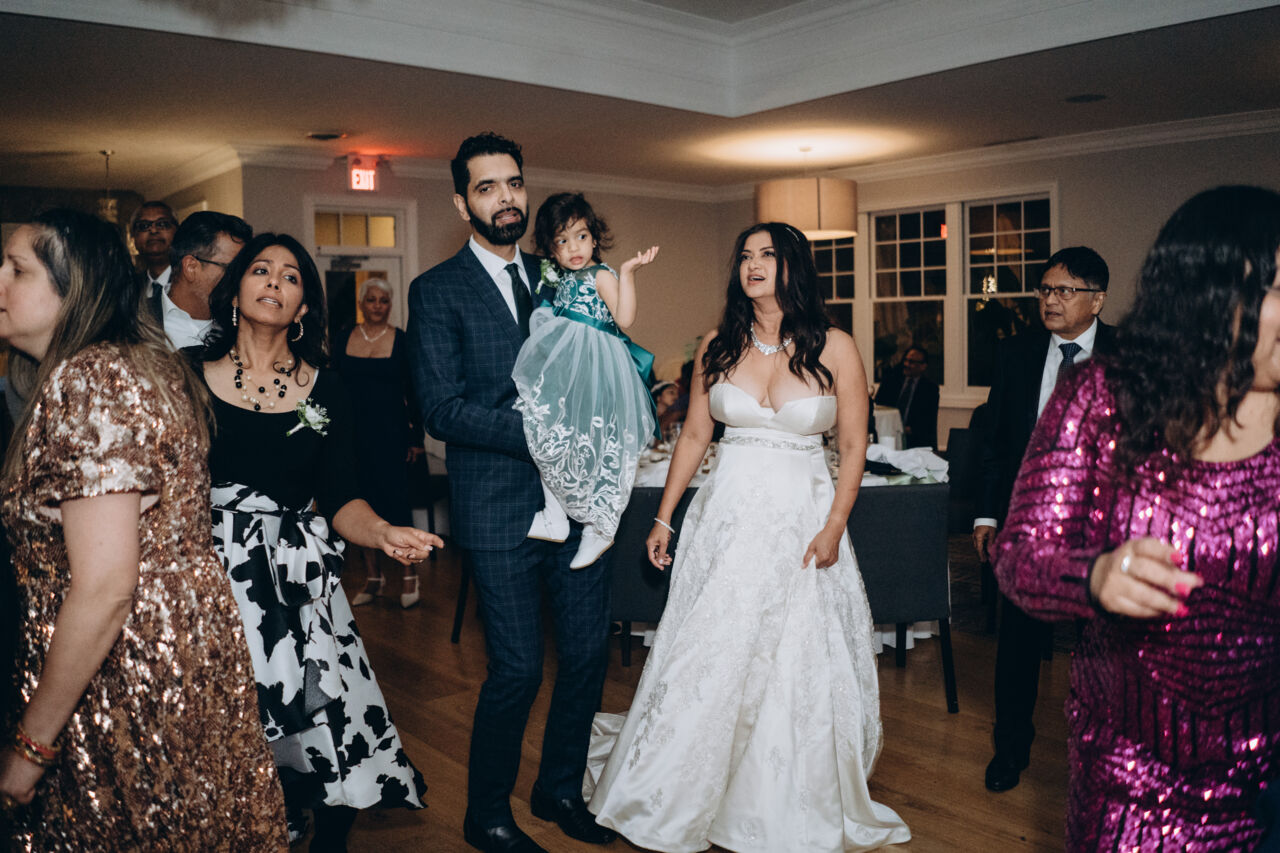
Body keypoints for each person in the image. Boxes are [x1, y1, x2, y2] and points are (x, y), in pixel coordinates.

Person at [588, 222, 911, 852]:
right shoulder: (719, 343)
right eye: (745, 255)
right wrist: (664, 516)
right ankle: (678, 788)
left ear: (795, 267)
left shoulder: (836, 346)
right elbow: (694, 435)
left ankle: (774, 799)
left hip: (804, 524)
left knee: (795, 657)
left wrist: (835, 526)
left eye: (768, 255)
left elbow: (853, 445)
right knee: (711, 649)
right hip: (727, 522)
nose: (753, 264)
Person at [993, 186, 1280, 849]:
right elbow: (1020, 555)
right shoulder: (1103, 397)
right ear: (1212, 292)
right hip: (1134, 779)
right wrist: (1094, 577)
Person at [0, 209, 288, 849]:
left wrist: (31, 747)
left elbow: (105, 586)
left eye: (16, 269)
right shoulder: (130, 366)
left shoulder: (93, 379)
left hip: (122, 669)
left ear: (74, 286)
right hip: (173, 647)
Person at [407, 132, 617, 853]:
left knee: (586, 656)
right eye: (488, 187)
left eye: (514, 183)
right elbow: (441, 409)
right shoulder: (436, 290)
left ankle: (559, 788)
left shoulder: (560, 272)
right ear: (461, 202)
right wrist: (540, 432)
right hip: (498, 507)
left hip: (578, 502)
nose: (506, 198)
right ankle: (487, 813)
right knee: (520, 668)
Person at [199, 233, 435, 849]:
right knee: (228, 720)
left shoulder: (326, 388)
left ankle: (321, 827)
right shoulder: (188, 375)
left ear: (303, 307)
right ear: (235, 291)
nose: (274, 281)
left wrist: (383, 532)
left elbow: (341, 499)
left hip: (297, 582)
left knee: (326, 722)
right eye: (261, 269)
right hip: (211, 575)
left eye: (291, 276)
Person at [973, 246, 1113, 793]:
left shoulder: (1130, 356)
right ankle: (1010, 750)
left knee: (1103, 649)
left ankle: (1105, 757)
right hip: (1030, 527)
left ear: (1096, 300)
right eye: (1046, 289)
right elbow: (996, 443)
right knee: (1017, 648)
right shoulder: (1016, 354)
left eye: (1065, 291)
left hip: (1104, 530)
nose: (1051, 300)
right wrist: (988, 514)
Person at [512, 191, 658, 567]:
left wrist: (627, 273)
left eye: (580, 236)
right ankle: (555, 516)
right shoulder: (565, 278)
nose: (573, 247)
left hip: (596, 365)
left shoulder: (600, 275)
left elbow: (624, 319)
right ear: (551, 249)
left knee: (599, 445)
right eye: (562, 241)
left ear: (594, 237)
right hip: (569, 367)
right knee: (546, 431)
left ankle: (600, 526)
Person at [336, 278, 425, 609]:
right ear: (362, 304)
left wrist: (416, 439)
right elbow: (333, 386)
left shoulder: (402, 340)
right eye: (371, 299)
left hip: (391, 435)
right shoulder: (344, 337)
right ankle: (374, 578)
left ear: (390, 305)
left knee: (396, 505)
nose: (377, 305)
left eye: (383, 300)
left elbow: (414, 391)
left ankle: (409, 576)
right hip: (352, 435)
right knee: (361, 503)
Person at [151, 210, 251, 349]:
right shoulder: (135, 319)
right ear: (191, 267)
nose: (241, 279)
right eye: (232, 269)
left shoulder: (244, 327)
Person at [873, 344, 938, 448]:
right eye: (905, 360)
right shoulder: (891, 382)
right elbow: (878, 406)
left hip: (916, 441)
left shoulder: (930, 389)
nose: (906, 364)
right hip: (887, 435)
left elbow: (927, 422)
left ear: (923, 366)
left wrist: (903, 429)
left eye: (911, 362)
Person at [129, 200, 178, 294]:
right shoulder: (130, 288)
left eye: (162, 224)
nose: (153, 230)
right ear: (133, 237)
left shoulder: (193, 280)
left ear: (177, 231)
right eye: (144, 226)